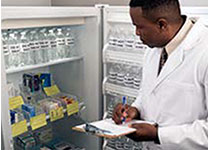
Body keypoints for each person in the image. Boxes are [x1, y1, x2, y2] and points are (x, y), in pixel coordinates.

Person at [112, 0, 208, 149]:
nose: (136, 33)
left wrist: (158, 134)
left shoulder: (204, 51)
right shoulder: (155, 47)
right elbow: (148, 94)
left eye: (139, 26)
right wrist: (134, 110)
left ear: (162, 25)